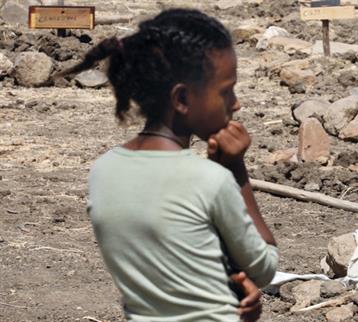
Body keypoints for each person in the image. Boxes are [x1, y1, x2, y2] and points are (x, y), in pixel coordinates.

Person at [59, 9, 278, 322]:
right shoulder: (210, 180)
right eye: (226, 90)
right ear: (182, 99)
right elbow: (265, 266)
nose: (236, 103)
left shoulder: (103, 171)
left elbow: (182, 253)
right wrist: (236, 170)